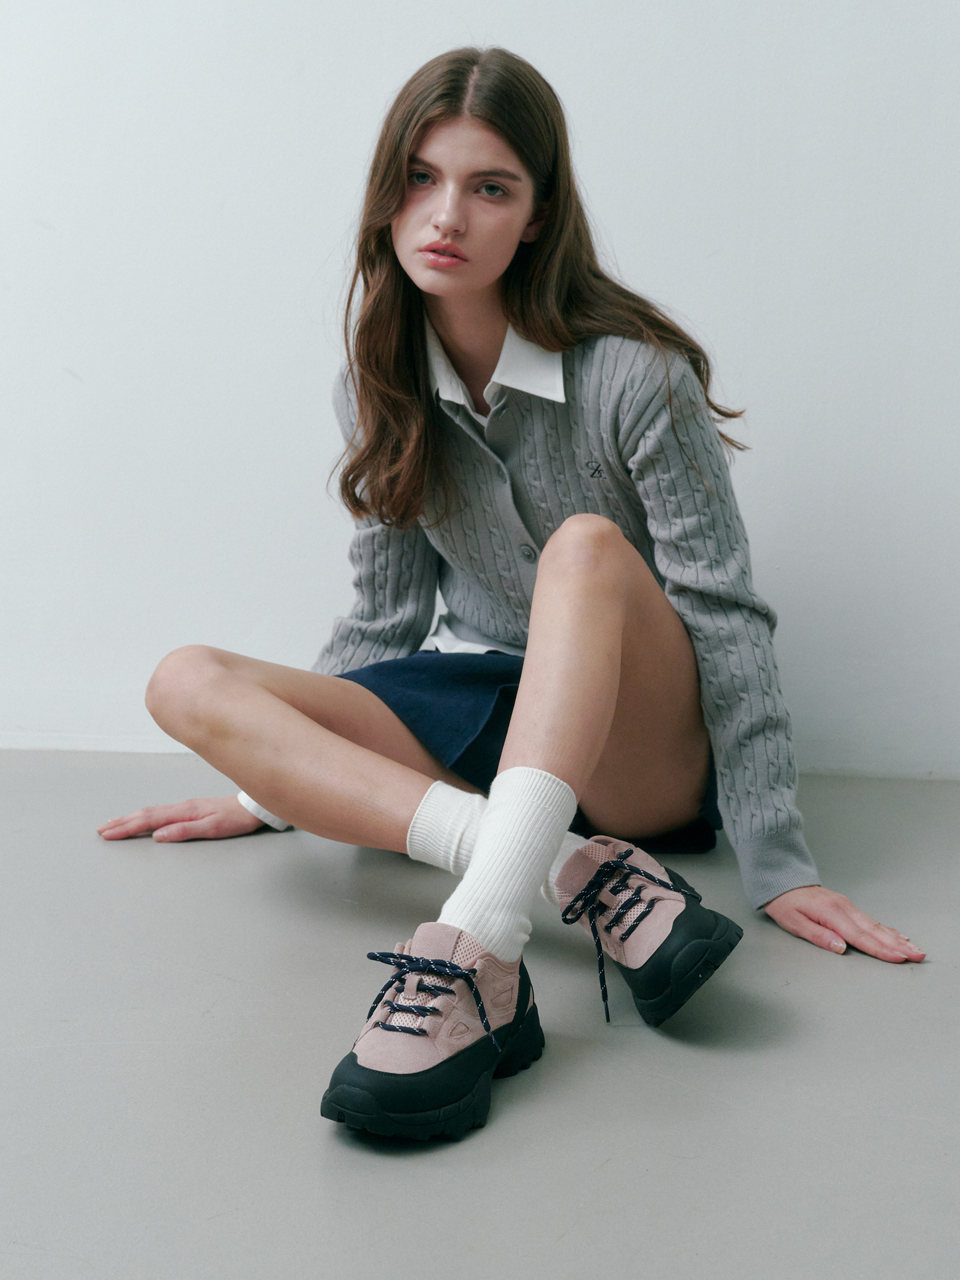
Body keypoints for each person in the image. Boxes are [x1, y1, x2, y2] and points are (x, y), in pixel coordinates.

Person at [99, 47, 924, 1140]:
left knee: (583, 549)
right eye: (421, 178)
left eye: (490, 188)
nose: (447, 215)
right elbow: (384, 620)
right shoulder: (379, 381)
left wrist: (775, 861)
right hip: (497, 718)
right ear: (387, 193)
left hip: (642, 751)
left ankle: (480, 938)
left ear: (537, 216)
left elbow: (724, 615)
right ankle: (566, 864)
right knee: (183, 678)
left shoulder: (637, 375)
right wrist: (272, 788)